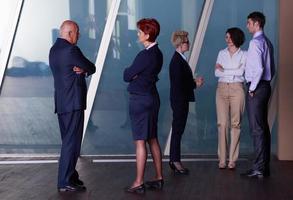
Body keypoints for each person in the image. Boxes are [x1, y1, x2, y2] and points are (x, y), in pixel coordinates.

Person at [49, 20, 96, 192]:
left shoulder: (54, 50)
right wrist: (85, 70)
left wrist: (81, 70)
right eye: (77, 33)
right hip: (73, 102)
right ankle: (64, 182)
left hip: (62, 102)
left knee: (68, 141)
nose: (79, 36)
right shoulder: (71, 50)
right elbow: (91, 66)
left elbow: (69, 70)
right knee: (71, 143)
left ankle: (71, 176)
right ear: (70, 33)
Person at [123, 18, 164, 194]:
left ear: (147, 35)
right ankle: (159, 177)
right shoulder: (158, 53)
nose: (138, 34)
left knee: (140, 141)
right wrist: (137, 75)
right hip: (152, 98)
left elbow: (127, 75)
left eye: (140, 32)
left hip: (140, 100)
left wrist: (134, 75)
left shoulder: (144, 55)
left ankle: (138, 182)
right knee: (152, 138)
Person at [241, 11, 275, 178]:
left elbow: (260, 69)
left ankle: (259, 168)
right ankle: (263, 166)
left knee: (257, 129)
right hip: (265, 86)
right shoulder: (267, 41)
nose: (247, 26)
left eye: (249, 23)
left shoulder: (255, 43)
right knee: (262, 128)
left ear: (256, 24)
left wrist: (252, 88)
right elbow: (271, 69)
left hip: (258, 88)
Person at [169, 31, 204, 174]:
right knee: (178, 130)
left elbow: (182, 82)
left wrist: (193, 82)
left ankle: (174, 159)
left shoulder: (180, 59)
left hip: (180, 99)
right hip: (179, 100)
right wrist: (195, 84)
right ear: (180, 44)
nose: (188, 44)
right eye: (186, 42)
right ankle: (175, 161)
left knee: (178, 130)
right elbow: (180, 84)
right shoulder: (177, 61)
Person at [215, 27, 246, 170]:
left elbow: (242, 72)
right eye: (226, 37)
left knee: (236, 124)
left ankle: (232, 160)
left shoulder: (244, 55)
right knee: (222, 124)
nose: (227, 39)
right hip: (221, 88)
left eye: (229, 37)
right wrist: (232, 71)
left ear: (236, 38)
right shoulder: (221, 53)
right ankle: (222, 159)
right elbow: (216, 73)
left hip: (237, 89)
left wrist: (225, 70)